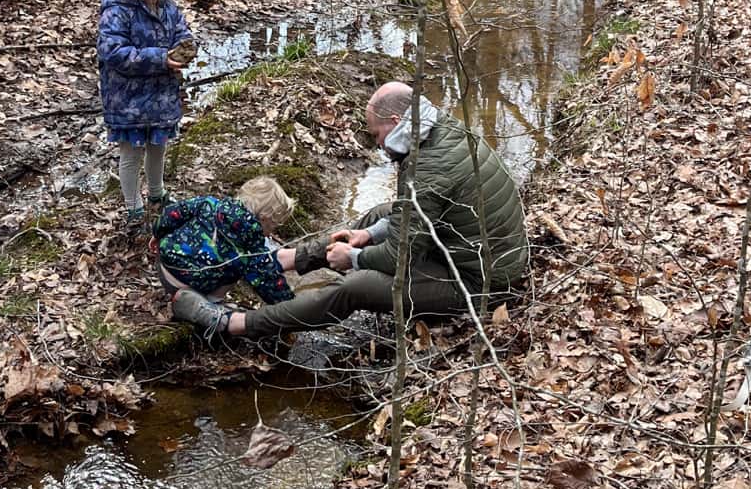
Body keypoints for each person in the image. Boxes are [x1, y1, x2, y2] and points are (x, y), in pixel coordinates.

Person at [170, 81, 528, 341]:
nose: (377, 144)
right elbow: (416, 216)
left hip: (478, 283)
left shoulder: (428, 169)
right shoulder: (439, 130)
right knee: (374, 219)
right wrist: (367, 237)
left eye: (376, 134)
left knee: (354, 287)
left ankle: (231, 323)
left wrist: (354, 258)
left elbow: (398, 256)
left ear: (394, 120)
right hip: (459, 248)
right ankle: (282, 260)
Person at [97, 0, 193, 239]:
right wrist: (158, 58)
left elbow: (181, 28)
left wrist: (184, 47)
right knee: (131, 154)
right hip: (129, 100)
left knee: (158, 146)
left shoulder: (166, 4)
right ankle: (133, 207)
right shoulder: (117, 10)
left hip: (161, 94)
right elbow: (112, 52)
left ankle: (156, 193)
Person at [153, 175, 296, 307]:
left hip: (164, 265)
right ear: (265, 219)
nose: (272, 231)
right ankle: (213, 302)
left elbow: (171, 214)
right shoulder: (252, 249)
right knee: (240, 266)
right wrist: (292, 308)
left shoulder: (209, 204)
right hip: (192, 287)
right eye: (273, 226)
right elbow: (269, 284)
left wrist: (157, 234)